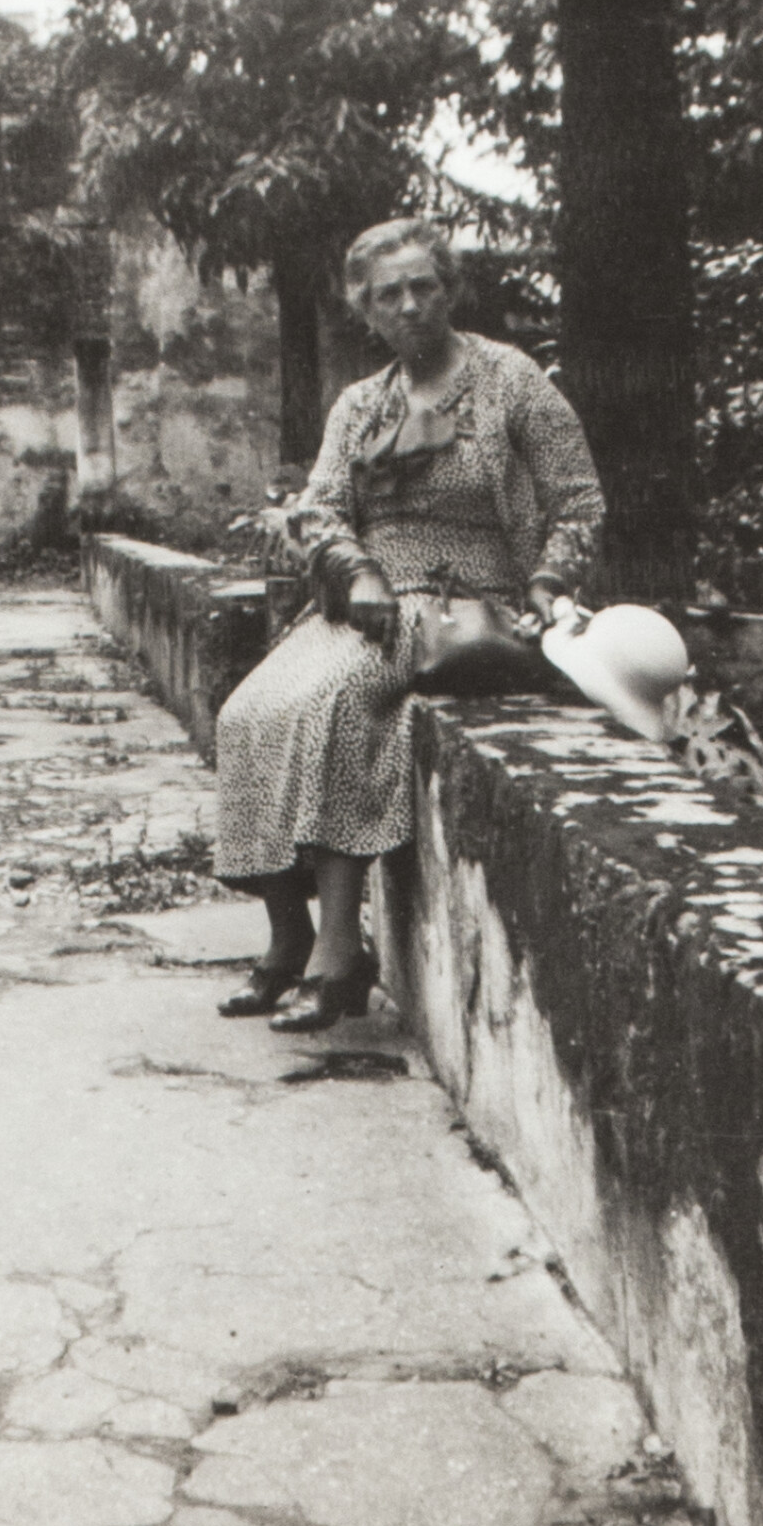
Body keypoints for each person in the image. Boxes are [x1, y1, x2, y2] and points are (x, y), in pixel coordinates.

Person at [214, 217, 605, 1031]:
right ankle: (290, 936)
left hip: (469, 598)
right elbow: (319, 508)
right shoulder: (362, 404)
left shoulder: (511, 379)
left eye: (424, 285)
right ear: (367, 310)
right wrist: (354, 570)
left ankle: (340, 960)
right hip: (369, 602)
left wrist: (550, 579)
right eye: (389, 293)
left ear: (448, 288)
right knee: (247, 714)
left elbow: (580, 501)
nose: (410, 304)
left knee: (342, 704)